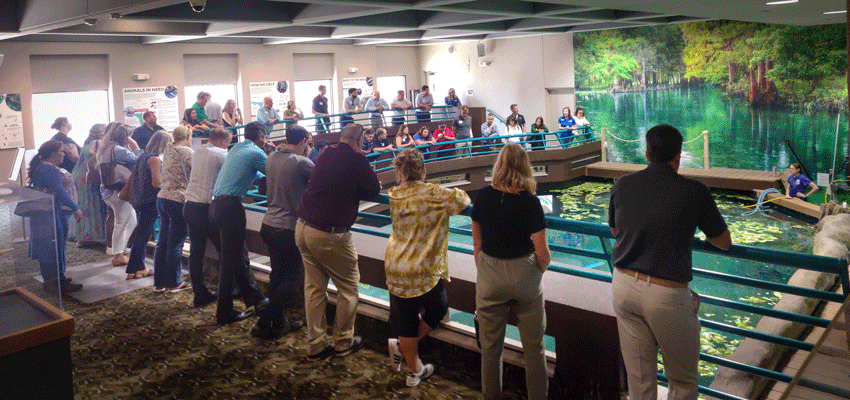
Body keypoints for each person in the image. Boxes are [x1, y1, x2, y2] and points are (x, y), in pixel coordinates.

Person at [608, 124, 731, 400]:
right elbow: (723, 241)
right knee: (683, 381)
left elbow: (616, 231)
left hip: (624, 285)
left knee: (639, 381)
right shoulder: (693, 191)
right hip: (666, 294)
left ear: (647, 152)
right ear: (679, 155)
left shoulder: (623, 184)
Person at [385, 149, 470, 386]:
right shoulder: (434, 193)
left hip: (395, 265)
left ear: (399, 172)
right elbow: (463, 200)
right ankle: (407, 356)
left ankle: (414, 368)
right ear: (424, 170)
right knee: (438, 308)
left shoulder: (393, 193)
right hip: (422, 269)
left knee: (407, 319)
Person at [471, 143, 550, 400]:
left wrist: (486, 268)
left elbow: (477, 244)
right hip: (524, 274)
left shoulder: (482, 196)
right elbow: (542, 253)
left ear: (499, 165)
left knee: (491, 350)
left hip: (490, 273)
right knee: (535, 349)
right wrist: (538, 269)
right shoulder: (530, 202)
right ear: (525, 167)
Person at [297, 123, 381, 360]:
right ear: (359, 141)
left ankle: (316, 344)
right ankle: (343, 341)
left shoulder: (326, 153)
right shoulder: (357, 159)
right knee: (349, 288)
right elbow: (374, 188)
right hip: (329, 234)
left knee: (314, 288)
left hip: (303, 227)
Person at [252, 125, 314, 339]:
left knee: (277, 274)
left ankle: (279, 322)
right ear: (304, 140)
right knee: (293, 278)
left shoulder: (271, 159)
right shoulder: (301, 162)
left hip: (268, 224)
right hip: (288, 228)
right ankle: (262, 321)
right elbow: (321, 182)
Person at [210, 122, 269, 325]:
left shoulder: (237, 148)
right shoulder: (256, 152)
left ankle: (255, 299)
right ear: (261, 136)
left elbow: (251, 172)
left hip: (216, 205)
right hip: (230, 207)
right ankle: (223, 312)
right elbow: (275, 172)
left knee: (238, 256)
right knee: (229, 262)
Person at [183, 127, 233, 307]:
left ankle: (200, 293)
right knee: (225, 251)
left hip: (189, 204)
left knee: (196, 252)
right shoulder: (221, 154)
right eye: (227, 143)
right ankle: (228, 292)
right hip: (206, 208)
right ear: (222, 142)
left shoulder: (197, 152)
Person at [28, 140, 84, 294]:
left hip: (43, 215)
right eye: (61, 151)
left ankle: (54, 280)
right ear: (53, 154)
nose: (64, 154)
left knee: (49, 247)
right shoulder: (49, 170)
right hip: (50, 215)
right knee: (55, 247)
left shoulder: (41, 167)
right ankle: (57, 283)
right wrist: (75, 208)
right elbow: (59, 191)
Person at [126, 130, 169, 281]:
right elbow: (156, 182)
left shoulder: (143, 156)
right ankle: (135, 268)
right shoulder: (155, 159)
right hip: (149, 201)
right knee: (142, 236)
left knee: (140, 234)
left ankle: (137, 268)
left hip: (139, 199)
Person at [154, 126, 193, 292]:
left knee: (162, 242)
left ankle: (160, 282)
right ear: (188, 136)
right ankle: (174, 282)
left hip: (162, 198)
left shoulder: (168, 149)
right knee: (176, 243)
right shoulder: (187, 152)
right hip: (178, 199)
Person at [97, 123, 141, 267]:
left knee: (131, 221)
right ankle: (118, 255)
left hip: (108, 190)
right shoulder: (118, 149)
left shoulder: (105, 148)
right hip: (120, 191)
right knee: (121, 222)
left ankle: (119, 250)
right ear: (124, 136)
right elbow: (139, 159)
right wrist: (135, 146)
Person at [72, 124, 108, 248]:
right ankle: (95, 235)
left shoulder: (87, 143)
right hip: (87, 176)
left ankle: (81, 237)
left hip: (78, 175)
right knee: (92, 205)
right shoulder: (98, 142)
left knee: (82, 204)